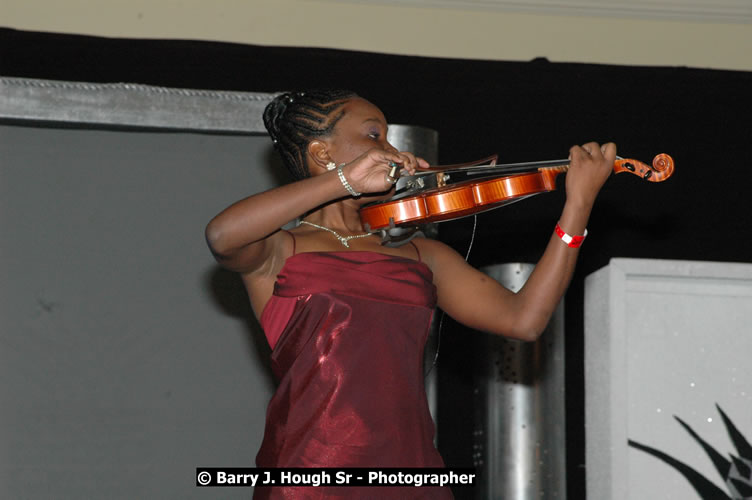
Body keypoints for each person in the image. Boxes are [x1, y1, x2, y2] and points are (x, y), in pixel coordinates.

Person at [205, 89, 615, 498]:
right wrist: (345, 181)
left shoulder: (420, 251)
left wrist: (577, 206)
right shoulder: (280, 249)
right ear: (322, 153)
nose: (390, 150)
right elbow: (222, 235)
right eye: (373, 136)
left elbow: (524, 320)